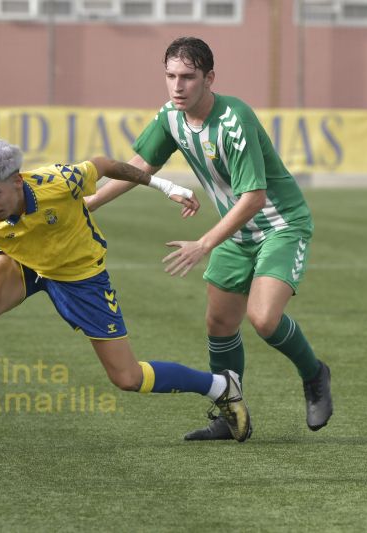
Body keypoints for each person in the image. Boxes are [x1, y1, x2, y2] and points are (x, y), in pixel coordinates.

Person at [0, 136, 251, 452]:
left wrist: (164, 186)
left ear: (17, 180)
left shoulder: (59, 181)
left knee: (127, 377)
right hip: (25, 263)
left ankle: (220, 386)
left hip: (79, 274)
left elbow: (104, 165)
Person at [85, 37, 332, 440]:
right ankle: (228, 416)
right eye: (170, 76)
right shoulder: (171, 117)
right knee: (219, 322)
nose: (177, 86)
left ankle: (314, 373)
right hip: (235, 230)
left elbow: (254, 198)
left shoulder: (235, 120)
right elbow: (140, 165)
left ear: (209, 78)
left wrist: (204, 243)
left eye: (187, 77)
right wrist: (91, 204)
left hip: (280, 226)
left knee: (263, 318)